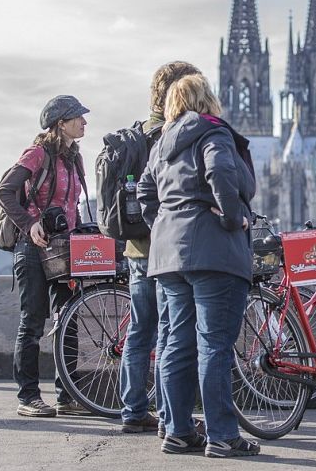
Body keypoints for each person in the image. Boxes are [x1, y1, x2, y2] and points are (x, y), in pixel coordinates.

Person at [137, 72, 259, 457]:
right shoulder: (213, 132)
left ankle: (177, 430)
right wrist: (230, 215)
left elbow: (142, 190)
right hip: (212, 252)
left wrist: (165, 221)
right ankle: (223, 435)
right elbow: (221, 172)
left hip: (168, 256)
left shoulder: (163, 143)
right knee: (215, 346)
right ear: (207, 98)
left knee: (176, 344)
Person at [119, 62, 203, 435]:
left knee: (140, 332)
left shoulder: (138, 131)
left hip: (136, 248)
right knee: (170, 333)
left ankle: (133, 410)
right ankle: (170, 418)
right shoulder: (170, 133)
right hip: (164, 249)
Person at [0, 95, 92, 417]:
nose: (84, 122)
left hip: (64, 250)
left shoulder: (74, 159)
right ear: (61, 123)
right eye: (78, 117)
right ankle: (29, 397)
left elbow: (72, 207)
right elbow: (5, 191)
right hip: (33, 247)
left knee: (70, 321)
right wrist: (30, 223)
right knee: (33, 322)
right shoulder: (37, 154)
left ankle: (68, 396)